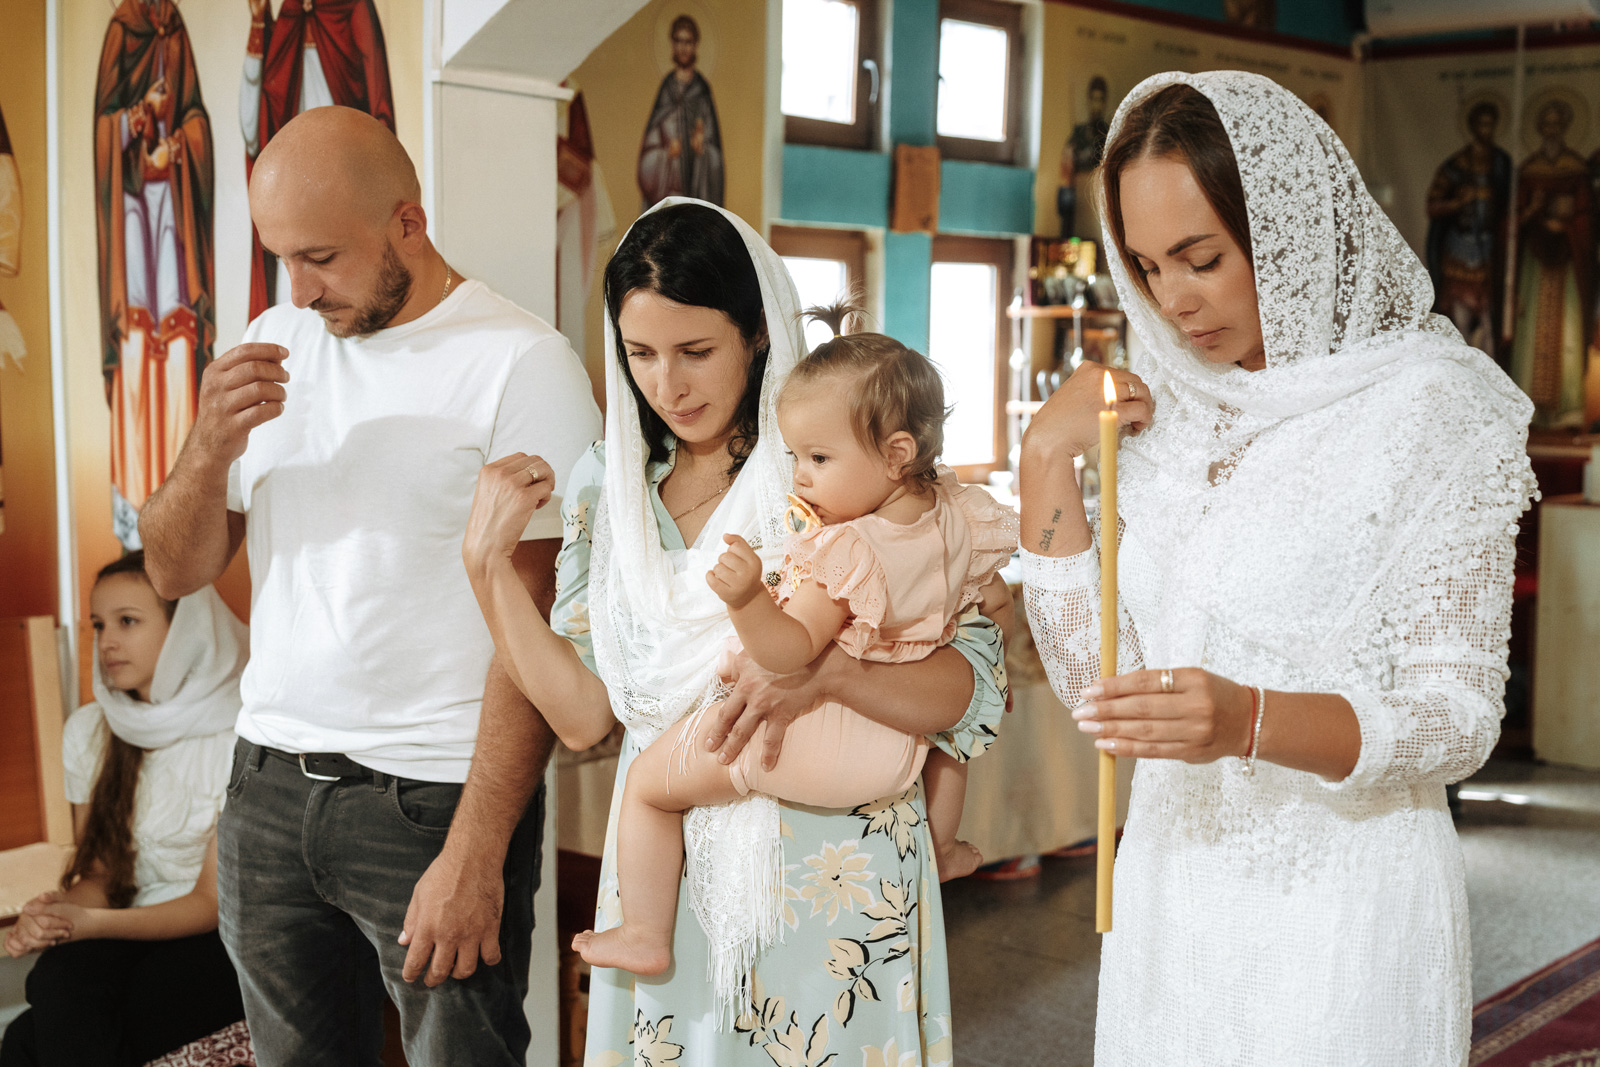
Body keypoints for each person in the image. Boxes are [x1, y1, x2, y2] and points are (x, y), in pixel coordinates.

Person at [1018, 72, 1533, 1065]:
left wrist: (1248, 719)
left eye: (1201, 258)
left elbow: (1459, 718)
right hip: (1171, 897)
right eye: (1145, 267)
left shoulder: (1430, 409)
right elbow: (1102, 690)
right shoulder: (1167, 412)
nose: (1173, 300)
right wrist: (1046, 457)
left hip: (1341, 909)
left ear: (1290, 231)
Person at [460, 199, 1007, 1061]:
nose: (667, 386)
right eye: (640, 354)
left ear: (757, 334)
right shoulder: (611, 487)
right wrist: (488, 570)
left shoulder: (830, 464)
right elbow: (584, 715)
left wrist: (833, 677)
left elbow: (967, 687)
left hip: (837, 872)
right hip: (666, 877)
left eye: (695, 351)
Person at [135, 106, 601, 1066]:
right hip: (265, 787)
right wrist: (206, 447)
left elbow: (540, 627)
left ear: (407, 223)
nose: (300, 290)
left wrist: (477, 849)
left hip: (433, 800)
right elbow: (173, 570)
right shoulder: (274, 340)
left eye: (322, 258)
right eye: (283, 259)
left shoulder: (522, 363)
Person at [568, 305, 1018, 978]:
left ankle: (643, 931)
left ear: (896, 454)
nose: (801, 476)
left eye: (819, 458)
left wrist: (747, 597)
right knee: (955, 731)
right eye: (796, 457)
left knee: (646, 786)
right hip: (904, 751)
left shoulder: (849, 549)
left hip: (820, 741)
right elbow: (995, 606)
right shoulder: (958, 516)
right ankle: (944, 843)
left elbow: (787, 653)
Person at [0, 552, 245, 1067]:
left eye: (127, 621)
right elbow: (102, 872)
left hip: (221, 936)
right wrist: (58, 915)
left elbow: (209, 904)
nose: (107, 641)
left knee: (28, 1038)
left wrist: (87, 924)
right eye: (98, 624)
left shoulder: (240, 734)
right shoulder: (91, 729)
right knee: (55, 981)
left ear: (187, 630)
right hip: (128, 921)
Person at [93, 0, 215, 547]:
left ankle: (185, 507)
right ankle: (137, 513)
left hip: (175, 221)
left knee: (180, 344)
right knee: (138, 346)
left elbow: (197, 120)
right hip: (131, 220)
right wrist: (139, 116)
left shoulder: (176, 30)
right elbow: (103, 135)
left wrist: (180, 146)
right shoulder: (122, 31)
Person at [240, 0, 395, 320]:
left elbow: (377, 98)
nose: (299, 297)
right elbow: (255, 129)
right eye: (281, 258)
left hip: (347, 187)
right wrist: (259, 25)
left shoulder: (353, 8)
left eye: (323, 258)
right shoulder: (287, 18)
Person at [1510, 98, 1591, 428]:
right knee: (1530, 327)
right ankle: (1527, 407)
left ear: (1566, 127)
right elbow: (1514, 220)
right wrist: (1534, 212)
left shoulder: (1577, 168)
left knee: (1567, 329)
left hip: (1567, 260)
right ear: (1540, 128)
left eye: (1558, 123)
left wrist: (1569, 222)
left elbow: (1587, 217)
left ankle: (1567, 411)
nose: (1552, 129)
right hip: (1535, 260)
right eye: (1547, 124)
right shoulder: (1529, 170)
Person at [1425, 100, 1512, 364]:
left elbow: (1508, 203)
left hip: (1489, 250)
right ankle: (1461, 366)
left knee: (1489, 318)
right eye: (1482, 124)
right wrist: (1458, 203)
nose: (1487, 130)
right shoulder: (1457, 164)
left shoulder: (1501, 163)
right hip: (1460, 249)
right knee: (1460, 320)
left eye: (1491, 124)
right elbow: (1432, 205)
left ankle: (1490, 370)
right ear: (1473, 126)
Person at [638, 15, 724, 208]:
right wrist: (666, 154)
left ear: (695, 45)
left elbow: (716, 157)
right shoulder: (666, 90)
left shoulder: (702, 92)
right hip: (668, 193)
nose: (683, 47)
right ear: (672, 44)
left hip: (697, 196)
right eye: (678, 41)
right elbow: (648, 153)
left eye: (688, 42)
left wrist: (703, 149)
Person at [1058, 76, 1110, 239]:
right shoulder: (1079, 132)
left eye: (1100, 100)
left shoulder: (1108, 133)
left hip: (1097, 196)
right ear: (1088, 100)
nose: (1097, 105)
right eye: (1094, 99)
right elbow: (1067, 165)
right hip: (1077, 192)